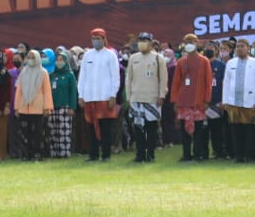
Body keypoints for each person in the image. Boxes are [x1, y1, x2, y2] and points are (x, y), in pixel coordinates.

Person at [78, 28, 121, 162]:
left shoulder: (110, 55)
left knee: (105, 128)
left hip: (105, 97)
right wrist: (81, 95)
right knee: (91, 127)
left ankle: (106, 155)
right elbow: (82, 77)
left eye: (98, 38)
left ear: (104, 39)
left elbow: (115, 77)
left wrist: (113, 95)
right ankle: (93, 154)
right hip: (90, 97)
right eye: (93, 39)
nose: (96, 41)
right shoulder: (87, 55)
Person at [125, 33, 168, 163]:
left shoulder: (158, 58)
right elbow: (129, 79)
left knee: (151, 128)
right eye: (140, 40)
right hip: (136, 98)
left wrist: (161, 96)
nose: (142, 42)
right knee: (138, 129)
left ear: (151, 42)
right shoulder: (133, 58)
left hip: (152, 99)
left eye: (145, 40)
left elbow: (163, 79)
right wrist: (129, 96)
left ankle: (151, 154)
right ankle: (140, 155)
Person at [170, 34, 214, 162]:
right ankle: (186, 155)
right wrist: (175, 101)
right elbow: (176, 83)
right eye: (187, 42)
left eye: (192, 41)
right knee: (184, 131)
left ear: (197, 43)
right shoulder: (181, 62)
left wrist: (207, 100)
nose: (189, 44)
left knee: (199, 131)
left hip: (198, 102)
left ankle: (197, 155)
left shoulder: (204, 61)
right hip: (183, 101)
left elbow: (208, 82)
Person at [222, 39, 255, 164]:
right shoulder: (230, 63)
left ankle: (251, 156)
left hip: (250, 102)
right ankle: (239, 156)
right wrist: (225, 101)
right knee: (236, 130)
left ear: (248, 48)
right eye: (238, 46)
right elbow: (226, 82)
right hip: (233, 102)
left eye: (242, 46)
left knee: (250, 130)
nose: (240, 48)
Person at [14, 50, 53, 160]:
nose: (30, 59)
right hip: (23, 107)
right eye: (29, 57)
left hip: (38, 108)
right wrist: (16, 107)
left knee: (38, 133)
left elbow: (47, 90)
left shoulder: (43, 72)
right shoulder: (23, 72)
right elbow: (19, 91)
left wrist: (47, 107)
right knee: (24, 133)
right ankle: (25, 154)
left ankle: (38, 154)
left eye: (33, 57)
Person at [47, 50, 78, 159]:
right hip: (52, 107)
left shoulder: (70, 75)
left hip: (65, 107)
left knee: (64, 131)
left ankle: (64, 153)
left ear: (66, 61)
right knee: (53, 130)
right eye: (57, 60)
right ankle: (54, 153)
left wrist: (72, 107)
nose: (58, 62)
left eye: (61, 60)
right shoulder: (52, 75)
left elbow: (73, 92)